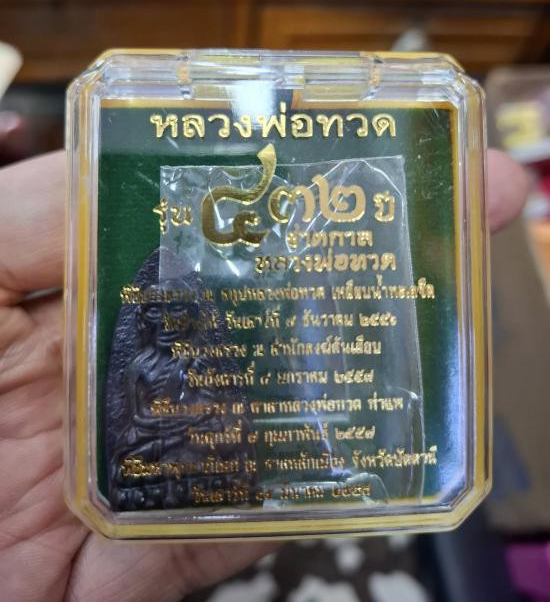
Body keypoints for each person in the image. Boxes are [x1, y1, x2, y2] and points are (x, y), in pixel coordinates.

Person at [0, 149, 528, 601]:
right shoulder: (141, 362)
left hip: (201, 442)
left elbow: (217, 402)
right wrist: (166, 420)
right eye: (160, 318)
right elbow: (133, 413)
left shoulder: (205, 353)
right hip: (157, 443)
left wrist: (200, 411)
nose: (168, 327)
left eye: (176, 317)